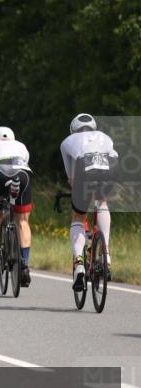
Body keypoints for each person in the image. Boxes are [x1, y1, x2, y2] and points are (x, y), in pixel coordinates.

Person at [60, 113, 119, 290]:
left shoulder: (67, 142)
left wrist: (79, 195)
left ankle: (79, 264)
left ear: (73, 130)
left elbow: (71, 178)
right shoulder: (105, 136)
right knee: (102, 202)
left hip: (84, 166)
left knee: (78, 216)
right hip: (111, 165)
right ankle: (106, 253)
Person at [0, 126, 34, 286]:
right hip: (22, 174)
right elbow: (25, 163)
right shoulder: (21, 146)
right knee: (23, 222)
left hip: (0, 172)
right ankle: (24, 264)